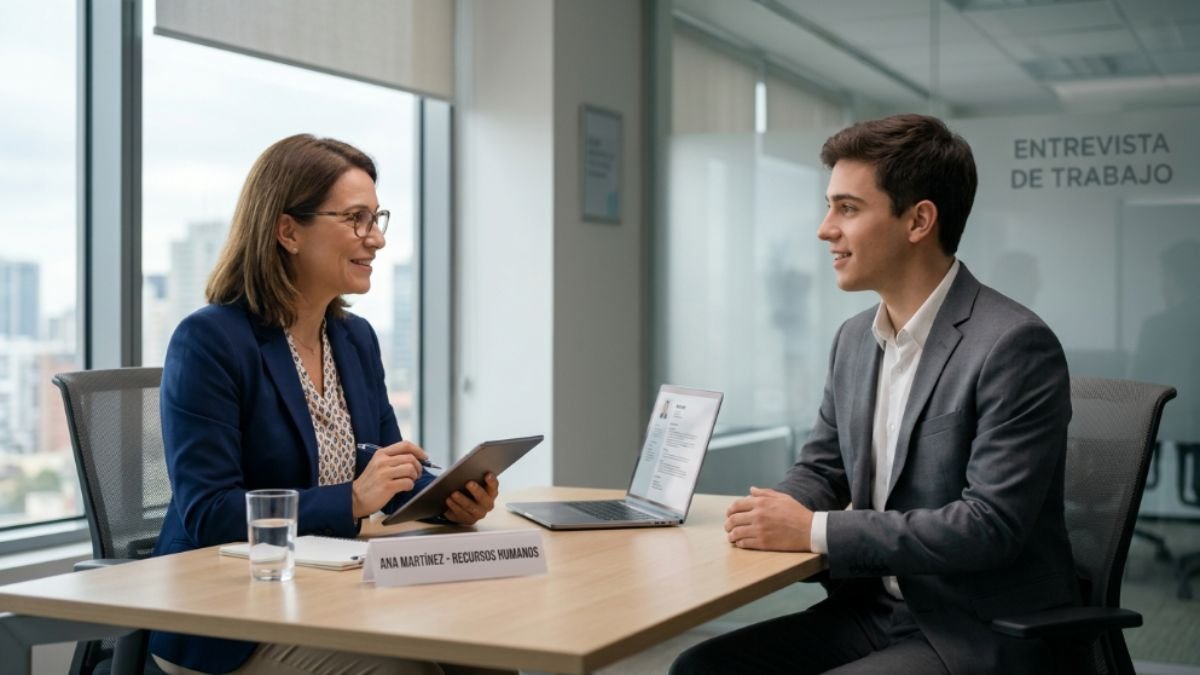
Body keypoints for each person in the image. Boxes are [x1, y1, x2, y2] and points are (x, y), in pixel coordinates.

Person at [671, 114, 1078, 674]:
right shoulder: (855, 339)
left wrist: (813, 530)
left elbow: (988, 525)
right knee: (699, 669)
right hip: (870, 611)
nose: (824, 228)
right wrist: (768, 514)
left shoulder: (1012, 345)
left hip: (969, 628)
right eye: (829, 206)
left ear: (919, 221)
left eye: (848, 208)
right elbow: (822, 469)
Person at [150, 134, 504, 675]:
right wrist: (351, 501)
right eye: (357, 220)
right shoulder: (210, 342)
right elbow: (209, 513)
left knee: (484, 651)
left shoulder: (354, 339)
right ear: (288, 230)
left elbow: (386, 471)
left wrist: (448, 497)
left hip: (328, 590)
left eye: (377, 219)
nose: (377, 240)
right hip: (228, 617)